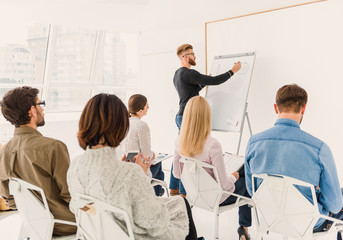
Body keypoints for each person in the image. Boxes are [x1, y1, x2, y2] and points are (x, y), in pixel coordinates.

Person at [67, 93, 202, 240]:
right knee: (183, 205)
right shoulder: (130, 173)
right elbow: (155, 224)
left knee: (179, 203)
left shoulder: (75, 166)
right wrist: (142, 175)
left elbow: (84, 206)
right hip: (134, 235)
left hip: (99, 234)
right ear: (120, 127)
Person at [245, 84, 343, 240]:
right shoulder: (319, 149)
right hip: (308, 222)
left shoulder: (253, 143)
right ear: (303, 109)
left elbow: (252, 191)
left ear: (276, 108)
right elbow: (335, 205)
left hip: (271, 217)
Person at [0, 86, 76, 236]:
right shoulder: (54, 147)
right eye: (41, 104)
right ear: (32, 111)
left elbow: (9, 198)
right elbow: (70, 196)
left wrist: (33, 213)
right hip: (66, 225)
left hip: (34, 226)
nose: (43, 109)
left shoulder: (4, 152)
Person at [173, 96, 252, 240]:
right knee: (246, 177)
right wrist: (233, 176)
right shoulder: (213, 145)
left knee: (240, 171)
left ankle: (244, 228)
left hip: (195, 195)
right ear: (207, 117)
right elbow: (224, 185)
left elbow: (177, 174)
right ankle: (244, 228)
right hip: (216, 198)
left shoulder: (179, 141)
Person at [170, 43, 242, 197]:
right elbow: (216, 81)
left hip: (181, 114)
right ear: (185, 57)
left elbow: (192, 91)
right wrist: (232, 71)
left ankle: (174, 188)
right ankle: (183, 192)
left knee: (181, 150)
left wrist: (203, 82)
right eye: (192, 54)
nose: (195, 56)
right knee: (184, 154)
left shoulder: (178, 74)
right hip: (188, 115)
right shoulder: (189, 73)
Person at [125, 94, 165, 196]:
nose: (148, 107)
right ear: (140, 111)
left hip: (126, 167)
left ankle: (158, 194)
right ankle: (155, 198)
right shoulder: (141, 126)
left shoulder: (124, 124)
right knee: (159, 166)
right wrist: (155, 155)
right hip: (138, 169)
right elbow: (147, 155)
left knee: (158, 168)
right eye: (147, 105)